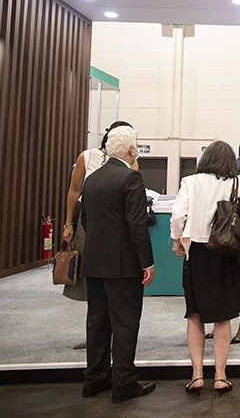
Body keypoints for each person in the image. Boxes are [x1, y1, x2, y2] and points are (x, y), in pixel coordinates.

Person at [170, 140, 240, 397]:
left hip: (196, 254)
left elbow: (177, 215)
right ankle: (220, 376)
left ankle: (196, 376)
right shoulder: (236, 183)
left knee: (194, 314)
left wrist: (176, 239)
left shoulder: (190, 182)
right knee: (223, 318)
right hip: (227, 254)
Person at [79, 125, 156, 403]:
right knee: (124, 323)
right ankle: (124, 382)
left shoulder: (92, 179)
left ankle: (94, 379)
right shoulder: (130, 178)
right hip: (122, 266)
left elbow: (84, 220)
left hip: (94, 262)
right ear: (132, 150)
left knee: (97, 323)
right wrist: (147, 262)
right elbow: (137, 224)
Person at [62, 120, 135, 349]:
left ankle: (114, 334)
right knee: (92, 283)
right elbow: (74, 191)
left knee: (117, 283)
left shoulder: (131, 161)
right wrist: (68, 224)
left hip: (117, 226)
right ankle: (96, 334)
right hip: (89, 223)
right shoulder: (87, 157)